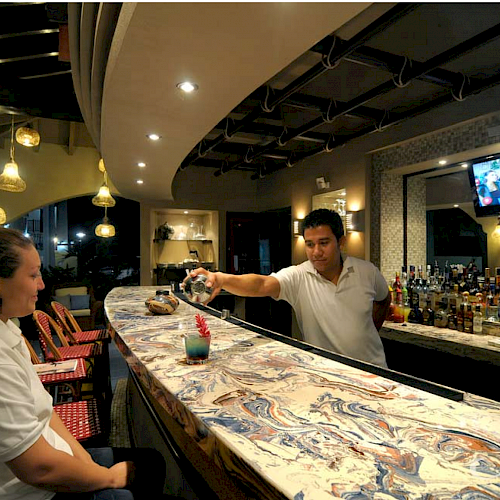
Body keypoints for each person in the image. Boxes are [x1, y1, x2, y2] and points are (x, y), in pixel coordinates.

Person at [0, 228, 171, 500]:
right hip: (35, 492)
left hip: (52, 458)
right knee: (141, 477)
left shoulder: (9, 331)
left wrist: (85, 463)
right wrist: (110, 478)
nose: (42, 285)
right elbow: (39, 469)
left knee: (151, 463)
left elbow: (46, 412)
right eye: (32, 275)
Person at [186, 209, 391, 367]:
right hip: (326, 371)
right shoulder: (299, 276)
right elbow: (262, 284)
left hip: (375, 371)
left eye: (324, 242)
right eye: (309, 244)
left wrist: (370, 329)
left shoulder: (367, 272)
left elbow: (383, 299)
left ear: (341, 242)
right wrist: (221, 279)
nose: (316, 251)